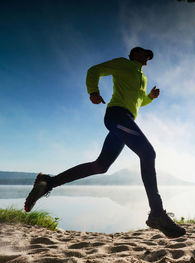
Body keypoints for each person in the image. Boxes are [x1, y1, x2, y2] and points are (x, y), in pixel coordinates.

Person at [24, 47, 186, 238]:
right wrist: (93, 91)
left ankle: (48, 182)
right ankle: (157, 213)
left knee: (101, 166)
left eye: (149, 57)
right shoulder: (122, 64)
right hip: (117, 115)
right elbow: (94, 70)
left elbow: (139, 101)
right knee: (148, 153)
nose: (148, 59)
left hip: (126, 120)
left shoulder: (143, 78)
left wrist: (149, 97)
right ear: (134, 54)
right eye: (145, 54)